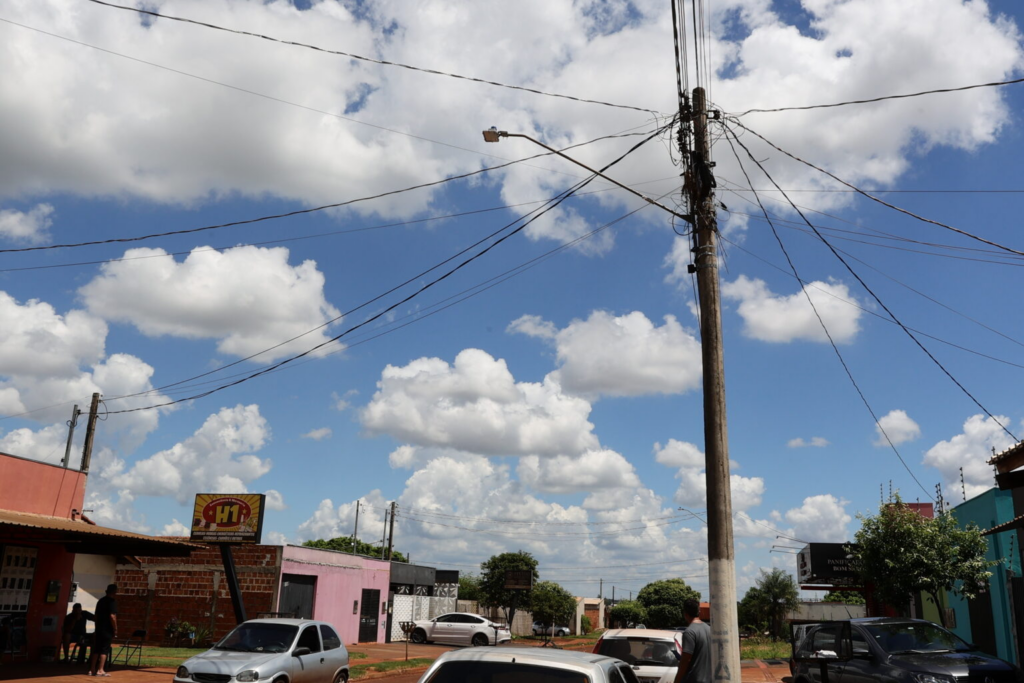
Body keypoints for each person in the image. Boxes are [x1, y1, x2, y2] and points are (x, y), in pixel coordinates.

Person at [673, 599, 711, 683]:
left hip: (693, 679)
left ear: (685, 614)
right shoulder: (709, 629)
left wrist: (677, 680)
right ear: (699, 611)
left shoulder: (689, 632)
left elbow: (686, 660)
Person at [89, 584, 118, 677]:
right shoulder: (112, 602)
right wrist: (115, 628)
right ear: (115, 592)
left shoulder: (100, 601)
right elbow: (112, 616)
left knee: (96, 649)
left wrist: (96, 628)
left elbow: (96, 616)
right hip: (107, 629)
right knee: (104, 650)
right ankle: (100, 670)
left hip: (99, 628)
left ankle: (92, 669)